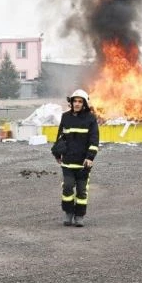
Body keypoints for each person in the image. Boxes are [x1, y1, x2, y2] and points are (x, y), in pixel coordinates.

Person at [53, 89, 99, 227]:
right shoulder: (65, 117)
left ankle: (79, 216)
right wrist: (57, 153)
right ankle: (68, 213)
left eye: (80, 101)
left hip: (83, 163)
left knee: (81, 191)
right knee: (67, 187)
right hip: (68, 162)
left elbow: (94, 140)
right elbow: (60, 137)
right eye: (75, 101)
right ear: (71, 102)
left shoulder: (91, 118)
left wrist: (90, 157)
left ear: (84, 104)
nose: (77, 104)